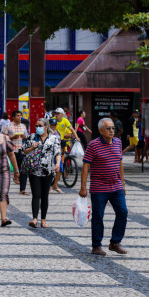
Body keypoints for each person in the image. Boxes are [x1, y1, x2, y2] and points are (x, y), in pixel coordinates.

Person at [79, 118, 129, 256]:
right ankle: (96, 245)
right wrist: (83, 187)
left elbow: (120, 163)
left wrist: (123, 183)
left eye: (113, 128)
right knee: (98, 216)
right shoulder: (93, 145)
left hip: (116, 185)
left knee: (123, 212)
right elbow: (85, 166)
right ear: (101, 130)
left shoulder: (118, 142)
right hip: (99, 187)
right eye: (108, 128)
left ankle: (115, 242)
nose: (112, 131)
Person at [24, 118, 61, 228]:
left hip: (48, 171)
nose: (37, 127)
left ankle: (43, 220)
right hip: (34, 170)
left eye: (40, 125)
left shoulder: (53, 138)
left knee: (45, 196)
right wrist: (32, 147)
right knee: (36, 195)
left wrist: (58, 163)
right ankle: (34, 219)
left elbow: (57, 152)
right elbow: (24, 150)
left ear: (46, 127)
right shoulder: (32, 137)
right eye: (36, 125)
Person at [3, 110, 28, 195]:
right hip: (10, 151)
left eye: (20, 116)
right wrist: (12, 137)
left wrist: (24, 137)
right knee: (8, 170)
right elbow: (3, 137)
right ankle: (5, 189)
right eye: (18, 116)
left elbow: (27, 138)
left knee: (23, 170)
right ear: (13, 117)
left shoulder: (23, 127)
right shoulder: (8, 126)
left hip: (21, 151)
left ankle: (22, 189)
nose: (20, 117)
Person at [51, 108, 74, 192]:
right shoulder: (50, 129)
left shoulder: (64, 123)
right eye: (52, 125)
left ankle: (55, 185)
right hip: (51, 150)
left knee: (60, 167)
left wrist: (76, 137)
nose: (54, 126)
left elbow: (71, 131)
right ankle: (51, 184)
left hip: (60, 147)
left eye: (55, 125)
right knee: (52, 167)